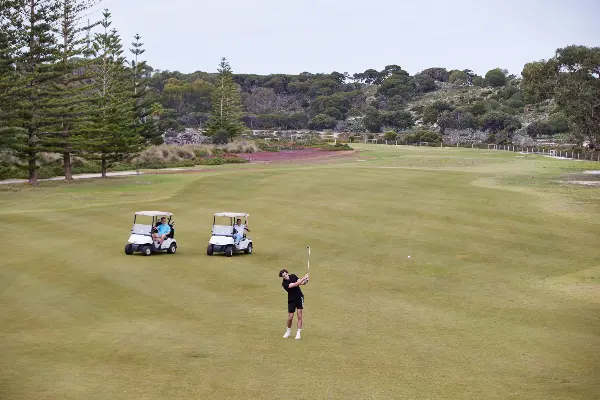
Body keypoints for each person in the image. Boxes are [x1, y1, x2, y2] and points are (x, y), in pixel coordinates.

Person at [279, 268, 309, 339]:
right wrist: (304, 277)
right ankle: (288, 331)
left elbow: (301, 283)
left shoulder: (293, 276)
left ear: (287, 273)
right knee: (290, 317)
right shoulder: (284, 284)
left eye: (286, 274)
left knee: (299, 315)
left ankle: (298, 333)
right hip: (291, 299)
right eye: (284, 276)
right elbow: (295, 284)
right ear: (282, 277)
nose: (286, 276)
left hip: (299, 297)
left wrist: (306, 280)